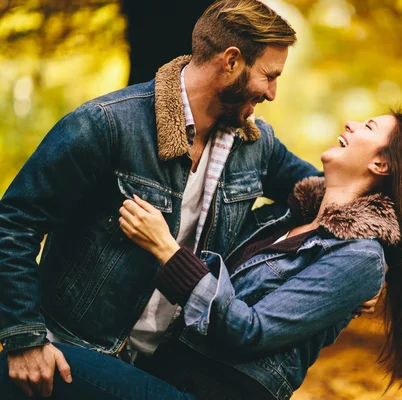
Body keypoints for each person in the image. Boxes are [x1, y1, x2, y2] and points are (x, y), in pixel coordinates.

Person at [0, 110, 402, 399]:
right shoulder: (286, 219)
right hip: (164, 372)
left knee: (33, 368)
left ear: (380, 164)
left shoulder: (360, 258)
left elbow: (248, 331)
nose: (350, 124)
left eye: (366, 127)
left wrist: (166, 249)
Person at [0, 1, 327, 397]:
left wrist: (352, 257)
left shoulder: (256, 146)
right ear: (231, 61)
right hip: (74, 353)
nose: (272, 93)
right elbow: (14, 223)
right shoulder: (107, 124)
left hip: (166, 367)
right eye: (269, 76)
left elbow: (327, 193)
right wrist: (25, 338)